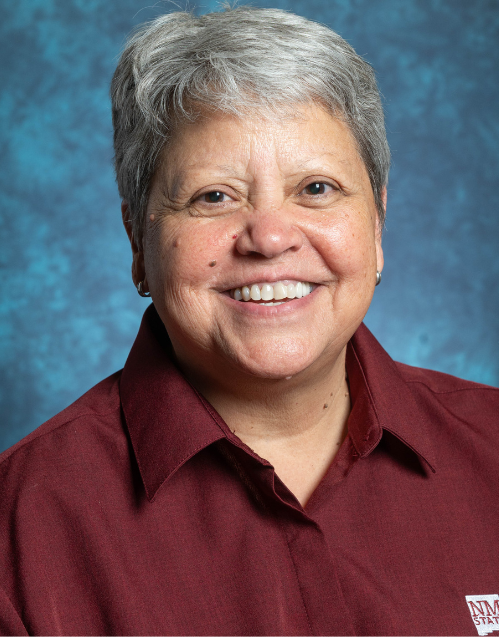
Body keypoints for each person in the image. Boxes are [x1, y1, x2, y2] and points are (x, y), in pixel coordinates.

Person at [1, 6, 498, 636]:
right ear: (136, 240)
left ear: (377, 225)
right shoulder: (16, 535)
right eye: (215, 196)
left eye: (316, 188)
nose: (268, 237)